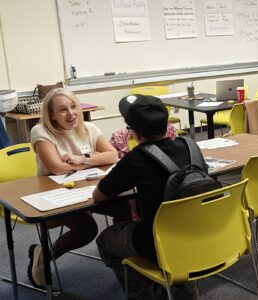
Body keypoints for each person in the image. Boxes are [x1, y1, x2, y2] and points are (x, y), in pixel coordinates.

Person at [93, 94, 200, 300]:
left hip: (160, 242)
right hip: (202, 232)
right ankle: (186, 289)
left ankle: (146, 291)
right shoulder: (191, 146)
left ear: (134, 132)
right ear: (167, 124)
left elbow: (99, 196)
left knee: (106, 241)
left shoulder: (136, 158)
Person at [28, 88, 118, 288]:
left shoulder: (89, 128)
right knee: (87, 229)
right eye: (62, 110)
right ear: (51, 114)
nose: (71, 114)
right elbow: (56, 168)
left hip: (87, 188)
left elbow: (113, 155)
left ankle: (124, 260)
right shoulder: (40, 131)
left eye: (73, 107)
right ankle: (44, 255)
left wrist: (81, 159)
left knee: (128, 207)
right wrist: (93, 160)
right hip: (51, 193)